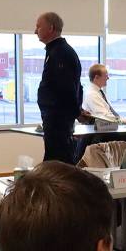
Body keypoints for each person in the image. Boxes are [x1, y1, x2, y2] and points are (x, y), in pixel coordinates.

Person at [35, 11, 83, 164]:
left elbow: (68, 88)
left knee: (59, 165)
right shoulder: (54, 51)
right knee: (54, 162)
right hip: (54, 120)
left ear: (51, 28)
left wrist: (76, 111)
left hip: (59, 121)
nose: (35, 31)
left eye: (38, 27)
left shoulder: (61, 53)